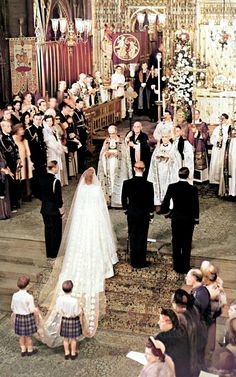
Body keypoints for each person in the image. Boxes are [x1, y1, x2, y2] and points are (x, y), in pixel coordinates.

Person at [39, 167, 118, 346]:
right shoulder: (97, 190)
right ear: (94, 178)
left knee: (80, 242)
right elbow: (101, 207)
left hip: (82, 219)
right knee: (96, 241)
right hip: (94, 219)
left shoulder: (81, 188)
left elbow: (78, 208)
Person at [159, 167, 199, 274]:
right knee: (187, 242)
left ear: (178, 175)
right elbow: (196, 206)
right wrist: (196, 219)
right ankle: (185, 266)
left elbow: (166, 202)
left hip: (176, 218)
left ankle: (177, 265)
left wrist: (167, 213)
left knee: (176, 241)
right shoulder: (193, 189)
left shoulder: (172, 187)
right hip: (188, 219)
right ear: (188, 175)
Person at [122, 161, 154, 268]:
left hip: (132, 213)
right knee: (142, 237)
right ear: (144, 170)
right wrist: (151, 214)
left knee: (133, 236)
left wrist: (127, 209)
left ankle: (134, 261)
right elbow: (151, 202)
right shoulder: (149, 185)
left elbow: (123, 200)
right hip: (144, 214)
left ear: (134, 169)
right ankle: (141, 261)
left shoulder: (127, 183)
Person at [97, 125, 132, 207]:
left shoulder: (121, 141)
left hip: (118, 164)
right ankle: (109, 199)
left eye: (113, 133)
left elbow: (125, 154)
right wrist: (106, 154)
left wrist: (117, 153)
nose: (111, 135)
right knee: (110, 180)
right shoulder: (106, 141)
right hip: (109, 164)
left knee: (118, 181)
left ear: (116, 132)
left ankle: (117, 201)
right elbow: (102, 153)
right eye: (110, 134)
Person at [155, 308, 190, 377]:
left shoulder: (160, 338)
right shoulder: (183, 331)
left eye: (161, 321)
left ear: (168, 321)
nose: (158, 322)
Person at [40, 161, 64, 259]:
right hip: (54, 211)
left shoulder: (41, 179)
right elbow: (58, 199)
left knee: (48, 230)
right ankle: (55, 252)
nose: (58, 169)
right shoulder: (55, 181)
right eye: (57, 167)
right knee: (56, 231)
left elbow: (39, 194)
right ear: (53, 168)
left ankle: (49, 253)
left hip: (45, 209)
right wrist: (62, 210)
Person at [148, 133, 180, 206]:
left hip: (169, 172)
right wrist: (158, 157)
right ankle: (159, 203)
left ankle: (169, 205)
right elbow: (153, 160)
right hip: (159, 172)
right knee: (159, 187)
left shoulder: (173, 148)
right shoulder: (158, 148)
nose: (164, 139)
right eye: (163, 137)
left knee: (168, 187)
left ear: (169, 137)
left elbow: (177, 159)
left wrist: (169, 157)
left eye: (166, 137)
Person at [11, 275, 38, 357]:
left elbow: (12, 307)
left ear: (17, 285)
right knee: (28, 337)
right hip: (28, 318)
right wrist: (36, 310)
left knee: (21, 336)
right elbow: (31, 309)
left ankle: (23, 350)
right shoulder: (29, 297)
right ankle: (30, 350)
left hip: (19, 317)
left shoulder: (15, 295)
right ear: (28, 286)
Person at [56, 280, 82, 360]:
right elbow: (77, 312)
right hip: (73, 320)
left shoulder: (59, 299)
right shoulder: (74, 301)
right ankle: (73, 353)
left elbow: (58, 310)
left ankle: (67, 353)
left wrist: (63, 314)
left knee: (65, 338)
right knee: (73, 339)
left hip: (64, 320)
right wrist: (81, 309)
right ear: (72, 289)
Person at [24, 112, 47, 198]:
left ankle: (42, 191)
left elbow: (42, 143)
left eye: (39, 119)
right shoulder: (29, 130)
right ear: (33, 119)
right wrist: (30, 159)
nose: (38, 121)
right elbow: (28, 145)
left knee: (42, 173)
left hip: (41, 155)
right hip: (34, 155)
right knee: (36, 175)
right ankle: (37, 192)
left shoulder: (41, 129)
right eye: (36, 119)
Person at [209, 113, 230, 189]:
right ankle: (214, 181)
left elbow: (229, 139)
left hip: (224, 148)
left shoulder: (228, 128)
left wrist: (223, 140)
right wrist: (217, 141)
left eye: (223, 119)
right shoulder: (217, 128)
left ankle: (222, 180)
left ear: (226, 119)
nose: (222, 120)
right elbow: (212, 139)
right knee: (215, 163)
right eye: (221, 119)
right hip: (216, 148)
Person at [0, 150, 12, 219]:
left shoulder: (1, 151)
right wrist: (3, 170)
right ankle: (2, 214)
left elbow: (5, 162)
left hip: (4, 176)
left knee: (5, 194)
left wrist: (8, 170)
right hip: (1, 177)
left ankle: (6, 213)